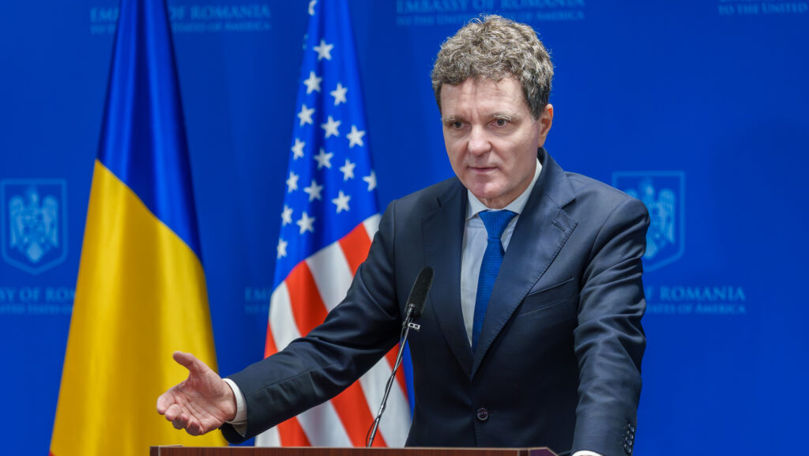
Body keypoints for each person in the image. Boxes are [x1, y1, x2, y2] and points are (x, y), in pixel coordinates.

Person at [158, 15, 648, 456]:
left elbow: (609, 359)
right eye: (457, 124)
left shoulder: (604, 222)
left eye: (499, 123)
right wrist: (235, 397)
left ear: (542, 124)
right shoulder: (410, 222)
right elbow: (336, 348)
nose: (476, 145)